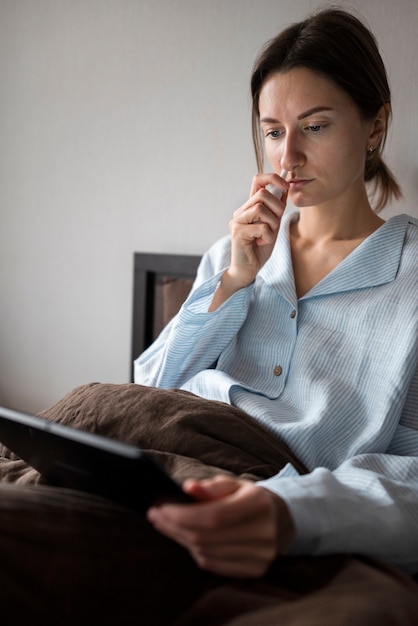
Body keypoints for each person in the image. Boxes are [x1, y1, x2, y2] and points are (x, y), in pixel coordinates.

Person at [0, 7, 417, 626]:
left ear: (375, 124)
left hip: (249, 483)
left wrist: (287, 511)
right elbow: (148, 390)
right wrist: (235, 282)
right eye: (273, 131)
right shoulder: (233, 253)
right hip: (131, 446)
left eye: (316, 126)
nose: (289, 156)